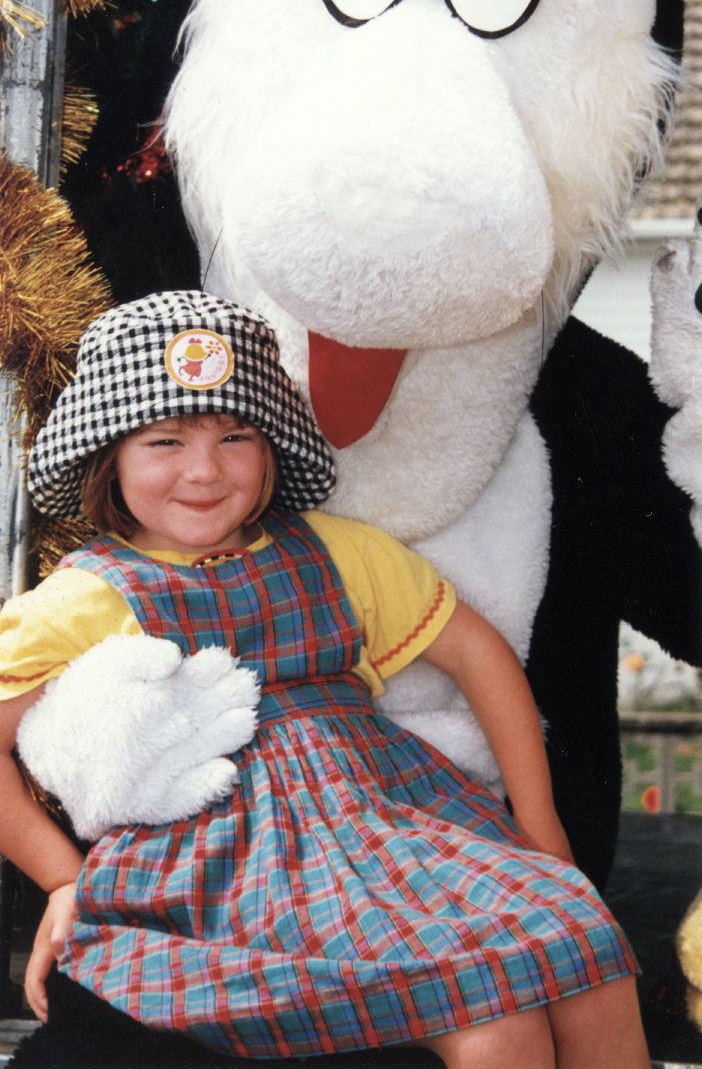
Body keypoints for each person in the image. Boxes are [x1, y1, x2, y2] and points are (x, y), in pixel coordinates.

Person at [0, 291, 650, 1069]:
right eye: (164, 439)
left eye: (234, 434)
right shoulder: (90, 594)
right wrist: (62, 878)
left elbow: (480, 656)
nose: (204, 469)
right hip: (231, 871)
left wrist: (539, 819)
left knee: (587, 952)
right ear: (110, 454)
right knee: (499, 1027)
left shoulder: (338, 551)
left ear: (271, 445)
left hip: (391, 831)